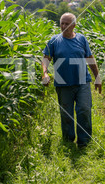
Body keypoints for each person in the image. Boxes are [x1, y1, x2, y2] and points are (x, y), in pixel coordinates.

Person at [42, 12, 101, 148]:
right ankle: (68, 142)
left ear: (74, 25)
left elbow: (90, 59)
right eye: (61, 23)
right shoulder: (54, 41)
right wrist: (44, 73)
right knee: (66, 114)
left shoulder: (81, 39)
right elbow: (46, 59)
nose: (63, 26)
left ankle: (84, 142)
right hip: (63, 84)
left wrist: (97, 77)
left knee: (84, 110)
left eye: (67, 23)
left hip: (82, 82)